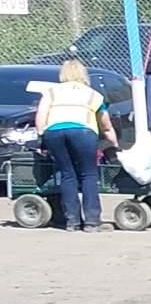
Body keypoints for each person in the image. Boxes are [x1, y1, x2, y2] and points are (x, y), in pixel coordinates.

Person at [31, 58, 113, 232]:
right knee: (88, 175)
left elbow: (41, 115)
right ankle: (92, 221)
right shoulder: (93, 94)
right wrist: (112, 140)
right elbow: (105, 123)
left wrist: (41, 135)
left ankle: (72, 221)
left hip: (54, 132)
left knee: (67, 174)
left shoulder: (51, 92)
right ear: (83, 74)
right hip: (83, 132)